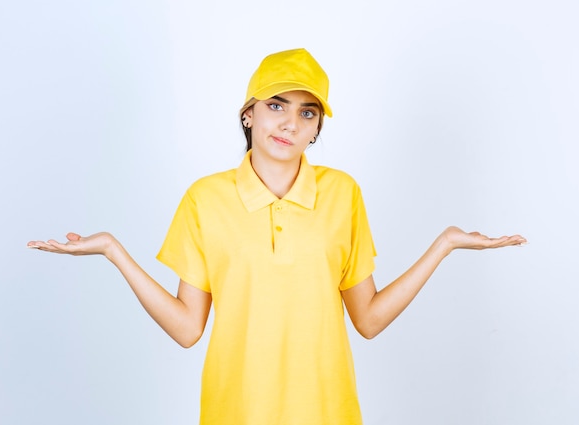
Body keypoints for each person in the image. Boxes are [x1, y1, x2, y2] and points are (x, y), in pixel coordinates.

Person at [28, 48, 526, 425]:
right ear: (249, 113)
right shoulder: (205, 199)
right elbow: (186, 329)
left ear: (317, 128)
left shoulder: (342, 194)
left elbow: (369, 320)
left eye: (308, 113)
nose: (290, 123)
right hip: (235, 410)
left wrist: (444, 244)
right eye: (277, 105)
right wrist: (115, 251)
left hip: (328, 411)